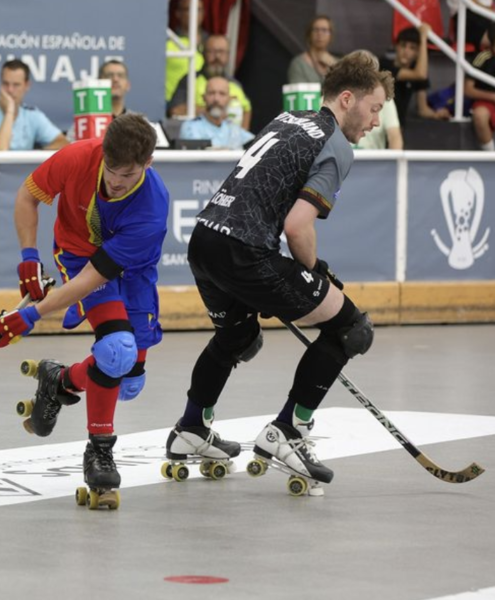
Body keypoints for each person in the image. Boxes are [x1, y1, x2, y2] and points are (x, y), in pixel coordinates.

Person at [168, 52, 393, 492]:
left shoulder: (289, 117)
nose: (375, 122)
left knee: (237, 338)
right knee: (351, 328)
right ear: (348, 99)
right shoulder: (336, 145)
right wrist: (316, 272)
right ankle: (287, 432)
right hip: (244, 251)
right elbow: (296, 227)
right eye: (374, 109)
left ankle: (191, 428)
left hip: (205, 239)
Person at [0, 113, 169, 503]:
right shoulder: (76, 157)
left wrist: (30, 315)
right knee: (116, 351)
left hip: (132, 271)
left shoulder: (152, 208)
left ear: (148, 164)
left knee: (130, 382)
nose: (116, 182)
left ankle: (60, 380)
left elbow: (95, 278)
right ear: (102, 151)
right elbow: (27, 196)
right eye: (111, 169)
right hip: (78, 251)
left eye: (129, 174)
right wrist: (29, 257)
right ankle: (100, 450)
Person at [0, 59, 68, 151]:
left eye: (16, 85)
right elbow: (0, 151)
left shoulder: (32, 115)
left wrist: (32, 158)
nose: (10, 90)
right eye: (5, 84)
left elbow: (63, 143)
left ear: (27, 86)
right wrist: (10, 111)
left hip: (25, 171)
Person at [66, 60, 168, 146]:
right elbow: (70, 149)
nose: (115, 79)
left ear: (128, 85)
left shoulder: (140, 121)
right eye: (109, 75)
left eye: (121, 75)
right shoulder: (85, 121)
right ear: (99, 83)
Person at [169, 35, 253, 130]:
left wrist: (242, 137)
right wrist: (214, 109)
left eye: (221, 52)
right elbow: (175, 110)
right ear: (203, 54)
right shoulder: (190, 80)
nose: (217, 56)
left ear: (228, 55)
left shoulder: (236, 84)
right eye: (212, 52)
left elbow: (247, 110)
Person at [380, 24, 450, 126]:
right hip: (377, 126)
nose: (406, 51)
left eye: (412, 48)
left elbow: (423, 109)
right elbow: (420, 74)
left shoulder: (416, 71)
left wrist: (436, 114)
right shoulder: (384, 65)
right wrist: (423, 37)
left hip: (398, 127)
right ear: (396, 47)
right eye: (403, 45)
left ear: (418, 52)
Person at [178, 77, 255, 150]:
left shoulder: (232, 127)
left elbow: (257, 144)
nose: (216, 99)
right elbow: (199, 155)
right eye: (211, 93)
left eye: (222, 94)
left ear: (229, 99)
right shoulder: (190, 127)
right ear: (204, 97)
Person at [351, 50, 403, 150]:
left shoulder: (386, 101)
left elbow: (395, 137)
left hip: (375, 163)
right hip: (341, 163)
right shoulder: (333, 99)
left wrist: (394, 164)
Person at [166, 0, 206, 102]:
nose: (194, 14)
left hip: (203, 105)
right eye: (188, 9)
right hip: (172, 104)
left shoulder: (211, 41)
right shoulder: (168, 40)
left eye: (198, 10)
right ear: (177, 13)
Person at [465, 21, 495, 151]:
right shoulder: (482, 58)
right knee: (480, 115)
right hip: (487, 102)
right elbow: (468, 89)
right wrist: (492, 96)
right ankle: (491, 157)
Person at [287, 16, 337, 84]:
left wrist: (335, 67)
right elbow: (299, 91)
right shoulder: (298, 64)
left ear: (331, 35)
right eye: (316, 30)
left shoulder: (338, 63)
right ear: (309, 34)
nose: (320, 34)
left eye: (324, 30)